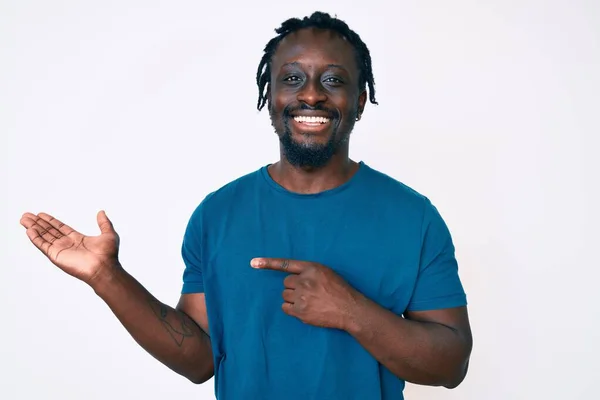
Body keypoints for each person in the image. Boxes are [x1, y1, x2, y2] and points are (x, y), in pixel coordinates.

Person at [20, 11, 472, 400]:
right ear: (269, 98)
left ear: (358, 101)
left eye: (332, 80)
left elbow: (450, 365)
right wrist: (107, 278)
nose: (311, 94)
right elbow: (198, 359)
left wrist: (351, 310)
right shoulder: (217, 214)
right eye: (292, 78)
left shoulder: (413, 217)